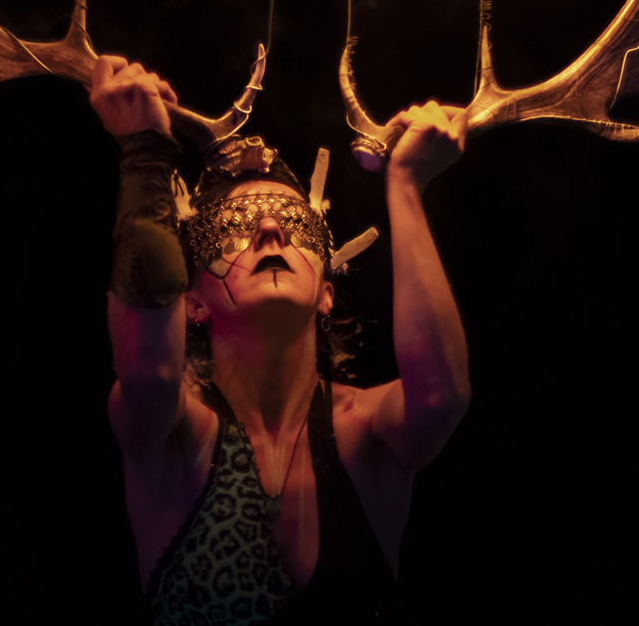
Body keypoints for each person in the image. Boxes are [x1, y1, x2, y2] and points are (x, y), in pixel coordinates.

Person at [88, 55, 471, 625]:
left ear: (326, 293)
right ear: (191, 300)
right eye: (233, 225)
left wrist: (407, 186)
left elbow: (440, 397)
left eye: (296, 224)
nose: (269, 228)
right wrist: (145, 152)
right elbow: (149, 373)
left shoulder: (366, 432)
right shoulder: (172, 435)